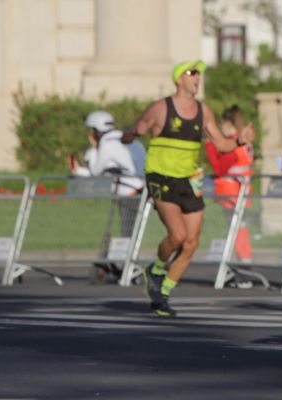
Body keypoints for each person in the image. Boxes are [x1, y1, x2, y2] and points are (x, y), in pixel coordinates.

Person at [123, 60, 239, 317]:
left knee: (191, 243)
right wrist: (131, 133)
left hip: (189, 179)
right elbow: (135, 130)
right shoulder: (161, 108)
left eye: (199, 74)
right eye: (192, 73)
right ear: (179, 79)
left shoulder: (203, 111)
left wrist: (239, 139)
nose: (197, 78)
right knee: (176, 236)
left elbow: (221, 144)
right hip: (161, 176)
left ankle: (162, 293)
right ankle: (156, 268)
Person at [69, 109, 146, 282]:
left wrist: (94, 152)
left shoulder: (108, 143)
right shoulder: (122, 137)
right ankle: (129, 268)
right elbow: (107, 171)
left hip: (129, 191)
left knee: (129, 233)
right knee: (130, 232)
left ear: (95, 131)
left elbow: (96, 170)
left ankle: (132, 271)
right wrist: (79, 171)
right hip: (139, 188)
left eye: (91, 131)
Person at [206, 106, 257, 271]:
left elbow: (220, 168)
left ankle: (244, 264)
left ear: (227, 122)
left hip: (231, 192)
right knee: (239, 228)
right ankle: (243, 262)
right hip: (240, 191)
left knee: (237, 229)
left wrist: (210, 145)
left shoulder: (234, 142)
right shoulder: (244, 140)